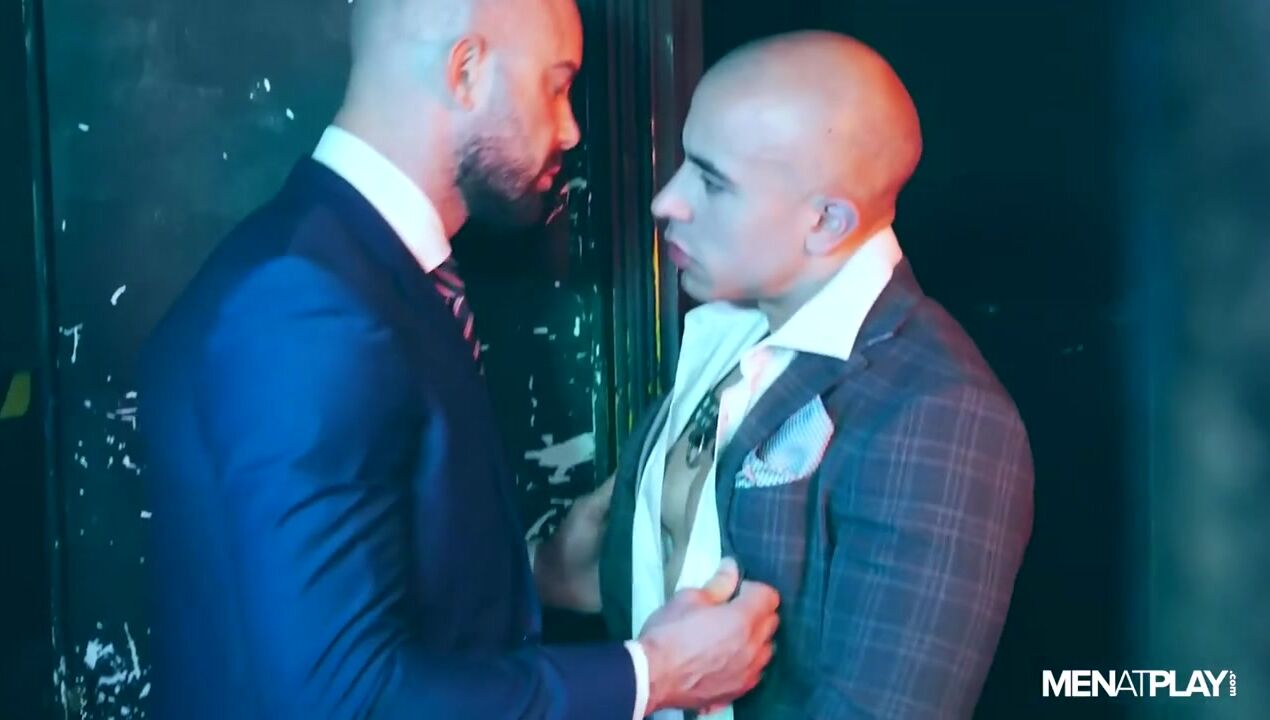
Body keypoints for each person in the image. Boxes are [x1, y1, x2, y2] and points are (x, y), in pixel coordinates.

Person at [138, 0, 778, 718]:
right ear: (465, 72)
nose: (570, 128)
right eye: (557, 85)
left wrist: (533, 572)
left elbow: (319, 597)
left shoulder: (355, 269)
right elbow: (345, 700)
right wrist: (653, 674)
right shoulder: (307, 305)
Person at [598, 32, 1035, 719]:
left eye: (712, 182)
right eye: (685, 162)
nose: (667, 200)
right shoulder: (729, 333)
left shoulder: (938, 408)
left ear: (827, 221)